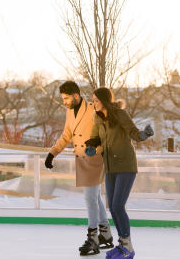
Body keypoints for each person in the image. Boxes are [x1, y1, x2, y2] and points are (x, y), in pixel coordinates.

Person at [44, 81, 113, 256]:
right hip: (81, 158)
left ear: (76, 95)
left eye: (66, 98)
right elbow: (67, 134)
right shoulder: (69, 112)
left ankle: (93, 238)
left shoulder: (92, 109)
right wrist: (53, 153)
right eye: (63, 98)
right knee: (95, 196)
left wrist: (97, 147)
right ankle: (105, 233)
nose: (64, 102)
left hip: (95, 157)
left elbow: (105, 132)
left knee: (90, 198)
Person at [85, 87, 154, 259]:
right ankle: (122, 244)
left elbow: (134, 133)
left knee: (118, 206)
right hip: (110, 167)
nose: (94, 103)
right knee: (112, 208)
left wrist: (144, 134)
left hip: (125, 165)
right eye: (93, 100)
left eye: (96, 100)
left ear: (105, 101)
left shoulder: (120, 115)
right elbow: (95, 137)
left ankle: (128, 247)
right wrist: (91, 147)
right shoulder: (98, 118)